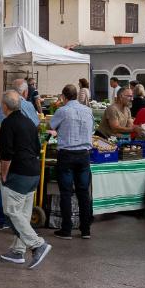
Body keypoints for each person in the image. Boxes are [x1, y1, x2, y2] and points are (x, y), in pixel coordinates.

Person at [0, 90, 50, 269]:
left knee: (11, 211)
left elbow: (6, 154)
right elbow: (36, 148)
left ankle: (37, 244)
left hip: (18, 174)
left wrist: (4, 174)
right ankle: (18, 251)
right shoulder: (29, 122)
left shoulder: (7, 124)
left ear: (4, 107)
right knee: (23, 214)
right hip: (33, 173)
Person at [47, 83, 95, 239]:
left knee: (66, 193)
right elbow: (92, 129)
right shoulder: (88, 110)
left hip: (67, 155)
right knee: (83, 193)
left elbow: (51, 125)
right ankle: (85, 230)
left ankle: (66, 230)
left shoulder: (62, 110)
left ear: (63, 97)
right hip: (84, 155)